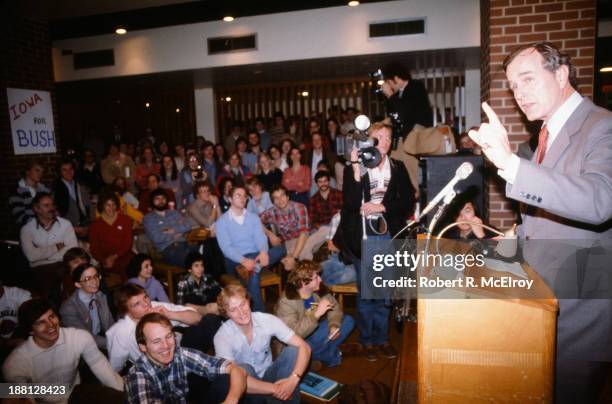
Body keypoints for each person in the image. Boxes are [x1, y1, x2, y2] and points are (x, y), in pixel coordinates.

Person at [467, 41, 612, 403]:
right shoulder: (543, 137)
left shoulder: (602, 126)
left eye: (528, 79)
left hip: (581, 308)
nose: (520, 94)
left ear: (561, 74)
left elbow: (600, 201)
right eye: (514, 86)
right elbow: (546, 218)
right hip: (545, 301)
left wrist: (511, 164)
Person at [337, 120, 415, 361]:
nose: (385, 141)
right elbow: (349, 202)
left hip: (387, 233)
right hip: (362, 235)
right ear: (369, 140)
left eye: (389, 138)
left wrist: (383, 205)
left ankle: (382, 339)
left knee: (384, 294)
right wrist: (354, 167)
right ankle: (367, 340)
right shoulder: (358, 166)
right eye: (380, 136)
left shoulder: (398, 167)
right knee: (367, 293)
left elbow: (408, 201)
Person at [3, 299, 124, 402]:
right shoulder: (15, 363)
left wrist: (125, 397)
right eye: (41, 322)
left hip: (76, 396)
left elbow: (105, 372)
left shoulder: (78, 337)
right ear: (30, 330)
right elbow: (16, 396)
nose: (50, 325)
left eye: (52, 317)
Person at [214, 284, 311, 403]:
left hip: (269, 376)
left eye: (242, 304)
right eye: (233, 309)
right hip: (247, 387)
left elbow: (304, 347)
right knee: (242, 369)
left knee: (293, 351)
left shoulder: (266, 320)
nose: (241, 312)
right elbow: (231, 379)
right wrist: (277, 389)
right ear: (226, 313)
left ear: (248, 301)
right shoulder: (222, 336)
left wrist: (293, 380)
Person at [125, 312, 248, 404]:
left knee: (225, 381)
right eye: (157, 341)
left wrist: (231, 400)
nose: (166, 346)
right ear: (143, 347)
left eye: (168, 336)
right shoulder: (137, 375)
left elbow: (235, 369)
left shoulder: (179, 354)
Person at [106, 284, 220, 372]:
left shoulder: (155, 306)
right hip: (158, 370)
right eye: (137, 304)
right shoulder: (120, 332)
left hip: (180, 352)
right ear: (126, 311)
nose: (146, 304)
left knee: (210, 319)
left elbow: (198, 318)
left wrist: (169, 314)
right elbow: (115, 368)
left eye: (145, 297)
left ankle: (222, 359)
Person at [215, 186, 286, 312]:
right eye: (238, 195)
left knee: (281, 248)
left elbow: (261, 237)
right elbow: (226, 248)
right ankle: (260, 312)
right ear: (230, 199)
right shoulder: (221, 222)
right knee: (254, 272)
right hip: (235, 261)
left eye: (244, 196)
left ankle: (255, 267)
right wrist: (243, 260)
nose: (242, 198)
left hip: (256, 256)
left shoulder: (253, 217)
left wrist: (264, 252)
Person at [276, 261, 354, 369]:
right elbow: (293, 335)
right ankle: (333, 355)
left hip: (314, 332)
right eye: (316, 277)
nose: (320, 280)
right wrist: (316, 315)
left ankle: (313, 358)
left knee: (348, 320)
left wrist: (333, 325)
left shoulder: (319, 291)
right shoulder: (287, 301)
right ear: (304, 282)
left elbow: (335, 309)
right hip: (295, 341)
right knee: (304, 347)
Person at [20, 192, 78, 303]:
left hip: (63, 264)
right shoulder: (27, 229)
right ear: (36, 209)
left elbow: (72, 250)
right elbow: (31, 256)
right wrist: (57, 247)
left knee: (74, 281)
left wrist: (42, 253)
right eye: (46, 206)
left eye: (52, 205)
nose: (51, 208)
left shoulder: (65, 224)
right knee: (49, 291)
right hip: (40, 268)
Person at [261, 185, 326, 269]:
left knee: (325, 230)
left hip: (308, 237)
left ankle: (291, 257)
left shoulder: (299, 207)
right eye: (276, 198)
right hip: (290, 243)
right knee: (304, 253)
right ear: (273, 201)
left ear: (287, 196)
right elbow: (255, 221)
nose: (280, 200)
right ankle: (307, 276)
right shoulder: (272, 212)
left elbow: (304, 234)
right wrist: (270, 234)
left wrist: (293, 257)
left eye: (282, 195)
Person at [60, 264, 115, 350]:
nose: (95, 281)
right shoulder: (68, 308)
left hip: (102, 337)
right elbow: (85, 338)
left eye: (96, 276)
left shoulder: (100, 296)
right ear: (78, 284)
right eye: (87, 279)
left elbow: (110, 322)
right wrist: (113, 344)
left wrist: (117, 338)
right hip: (84, 347)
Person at [381, 62, 433, 145]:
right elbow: (395, 113)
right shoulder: (399, 93)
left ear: (396, 78)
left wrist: (391, 95)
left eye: (389, 82)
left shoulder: (415, 87)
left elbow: (405, 112)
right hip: (407, 138)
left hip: (418, 139)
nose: (389, 85)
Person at [143, 189, 197, 266]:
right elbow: (156, 238)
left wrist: (174, 230)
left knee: (202, 252)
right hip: (167, 249)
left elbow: (187, 225)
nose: (161, 201)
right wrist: (174, 234)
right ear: (152, 201)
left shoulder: (174, 212)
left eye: (163, 198)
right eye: (157, 199)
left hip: (184, 243)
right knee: (189, 259)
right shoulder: (148, 218)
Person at [89, 192, 134, 281]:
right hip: (106, 259)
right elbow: (94, 248)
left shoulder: (125, 219)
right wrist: (104, 260)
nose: (111, 208)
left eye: (113, 204)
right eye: (108, 205)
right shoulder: (95, 225)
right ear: (102, 206)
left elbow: (128, 243)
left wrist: (114, 257)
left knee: (136, 264)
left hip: (124, 255)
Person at [51, 159, 92, 239]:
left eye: (70, 169)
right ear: (60, 172)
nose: (68, 172)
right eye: (64, 170)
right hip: (68, 229)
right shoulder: (56, 188)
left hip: (85, 226)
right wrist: (73, 229)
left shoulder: (80, 185)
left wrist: (88, 226)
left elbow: (88, 206)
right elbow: (55, 213)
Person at [9, 159, 50, 227]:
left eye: (42, 172)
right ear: (27, 171)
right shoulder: (17, 190)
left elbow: (51, 210)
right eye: (37, 170)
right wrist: (40, 224)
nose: (40, 174)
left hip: (46, 227)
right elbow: (18, 216)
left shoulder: (45, 190)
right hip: (28, 230)